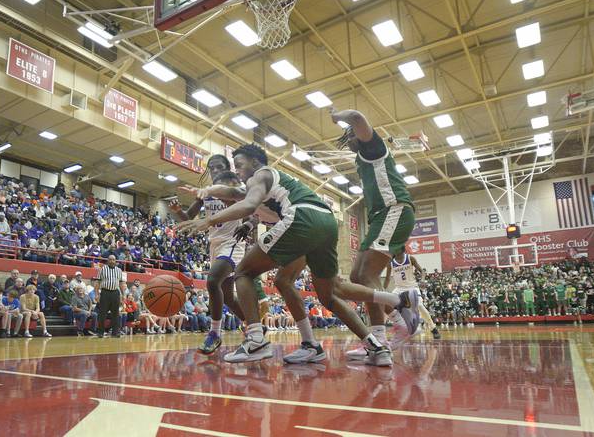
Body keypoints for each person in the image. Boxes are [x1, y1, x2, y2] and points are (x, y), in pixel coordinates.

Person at [178, 144, 419, 365]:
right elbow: (232, 192)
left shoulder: (260, 175)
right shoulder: (265, 181)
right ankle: (377, 340)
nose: (238, 171)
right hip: (325, 223)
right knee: (325, 293)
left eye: (240, 165)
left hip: (301, 219)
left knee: (244, 272)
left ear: (254, 162)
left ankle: (256, 341)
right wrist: (205, 190)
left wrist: (208, 220)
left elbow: (248, 204)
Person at [329, 107, 419, 358]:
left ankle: (402, 320)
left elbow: (358, 117)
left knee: (366, 273)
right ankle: (378, 339)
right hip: (382, 217)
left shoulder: (374, 148)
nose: (349, 143)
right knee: (358, 276)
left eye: (350, 137)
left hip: (394, 210)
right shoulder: (362, 158)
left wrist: (338, 116)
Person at [171, 154, 248, 354]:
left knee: (213, 281)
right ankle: (253, 325)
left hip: (233, 242)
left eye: (219, 167)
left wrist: (221, 194)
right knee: (229, 298)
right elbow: (189, 217)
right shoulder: (204, 194)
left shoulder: (235, 187)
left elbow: (245, 211)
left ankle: (214, 334)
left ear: (227, 168)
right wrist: (178, 210)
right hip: (214, 244)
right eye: (211, 168)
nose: (215, 171)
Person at [384, 253, 440, 342]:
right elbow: (387, 278)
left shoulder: (410, 258)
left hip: (412, 287)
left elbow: (422, 271)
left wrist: (422, 280)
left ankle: (433, 328)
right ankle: (381, 332)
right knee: (386, 305)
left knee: (420, 306)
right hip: (399, 288)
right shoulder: (390, 263)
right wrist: (383, 289)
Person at [95, 255, 123, 338]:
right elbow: (98, 283)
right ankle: (100, 332)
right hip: (105, 292)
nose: (112, 261)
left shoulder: (119, 270)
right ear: (108, 260)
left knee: (116, 314)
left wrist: (123, 294)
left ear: (115, 261)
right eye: (110, 259)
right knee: (102, 314)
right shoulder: (102, 269)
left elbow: (121, 283)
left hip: (115, 293)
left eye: (113, 259)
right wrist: (97, 294)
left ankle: (115, 332)